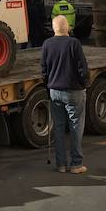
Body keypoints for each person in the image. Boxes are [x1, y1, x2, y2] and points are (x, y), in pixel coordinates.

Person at [40, 15, 89, 174]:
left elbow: (44, 70)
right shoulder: (74, 44)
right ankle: (76, 164)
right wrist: (83, 84)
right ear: (67, 28)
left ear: (54, 29)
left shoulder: (47, 45)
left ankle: (60, 164)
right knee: (75, 127)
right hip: (73, 90)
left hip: (54, 91)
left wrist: (48, 88)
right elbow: (83, 68)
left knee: (59, 128)